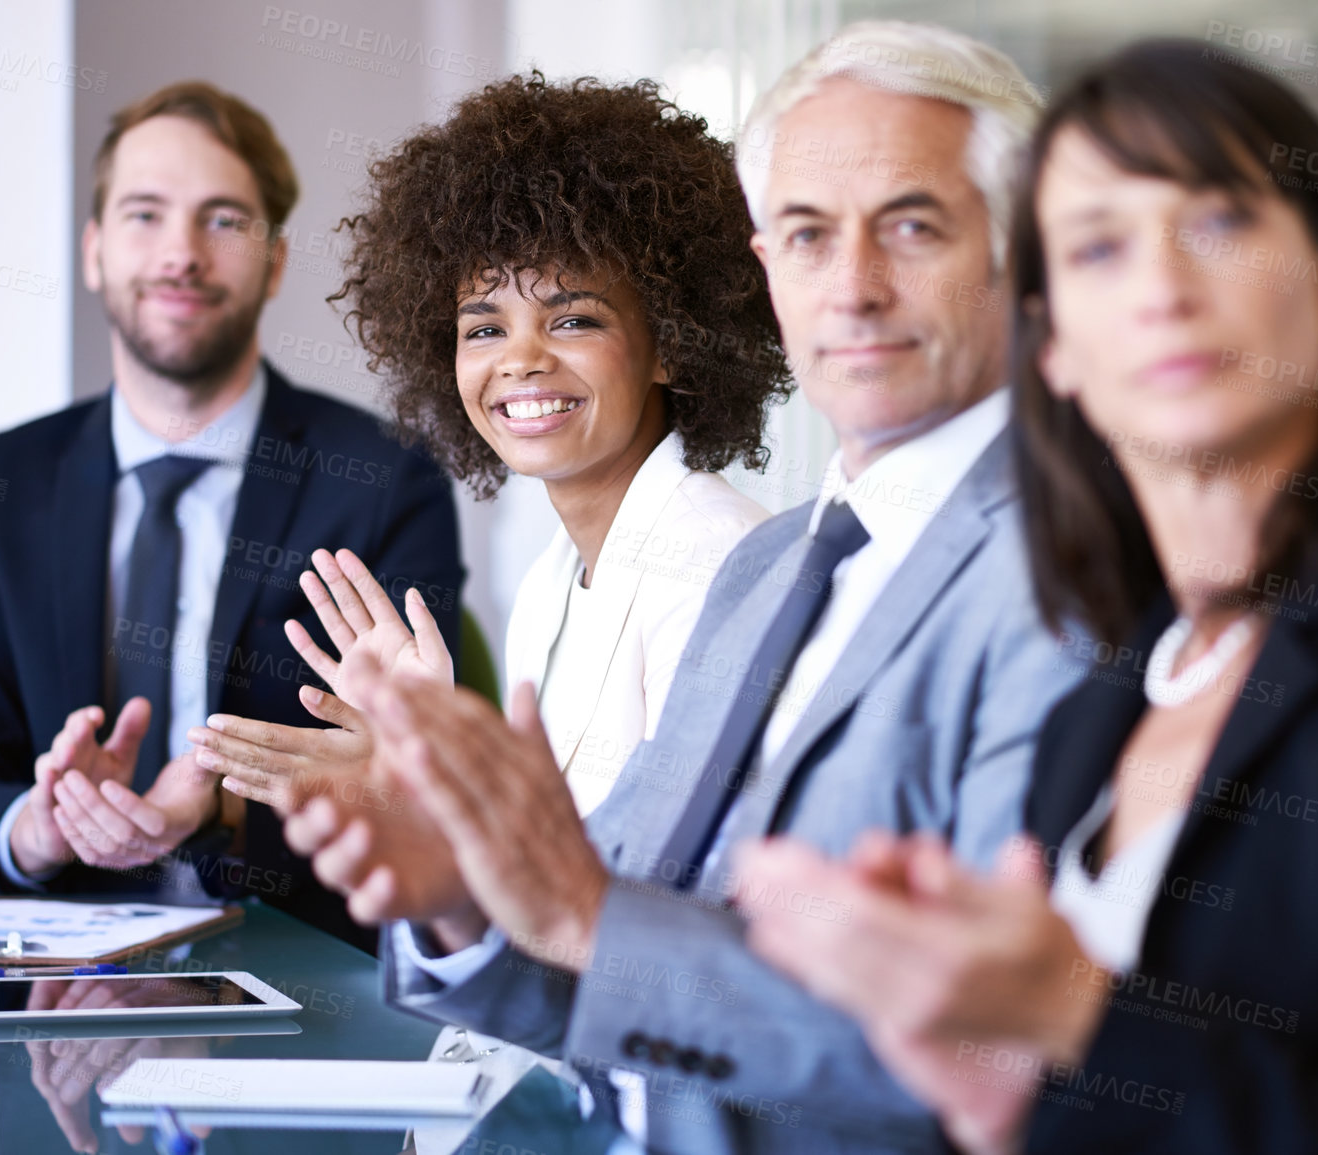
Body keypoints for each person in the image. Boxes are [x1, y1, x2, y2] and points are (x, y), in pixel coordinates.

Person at [734, 39, 1318, 1155]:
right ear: (1055, 350)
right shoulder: (1106, 705)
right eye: (1097, 250)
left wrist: (1071, 1013)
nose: (1164, 289)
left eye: (1221, 223)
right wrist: (973, 1055)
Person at [284, 22, 1071, 1153]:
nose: (851, 286)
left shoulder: (1070, 579)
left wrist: (575, 911)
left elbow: (1003, 1067)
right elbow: (621, 941)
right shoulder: (777, 567)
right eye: (805, 234)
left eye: (911, 223)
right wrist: (463, 888)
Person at [0, 81, 464, 952]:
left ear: (275, 260)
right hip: (55, 979)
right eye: (143, 214)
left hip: (297, 982)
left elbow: (418, 793)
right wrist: (39, 828)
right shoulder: (8, 477)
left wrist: (222, 811)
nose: (181, 253)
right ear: (93, 251)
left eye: (224, 219)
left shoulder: (385, 479)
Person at [183, 74, 785, 834]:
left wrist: (436, 787)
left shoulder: (717, 564)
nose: (520, 359)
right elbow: (534, 863)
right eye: (483, 328)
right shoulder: (548, 586)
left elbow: (662, 893)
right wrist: (427, 771)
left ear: (670, 343)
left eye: (573, 321)